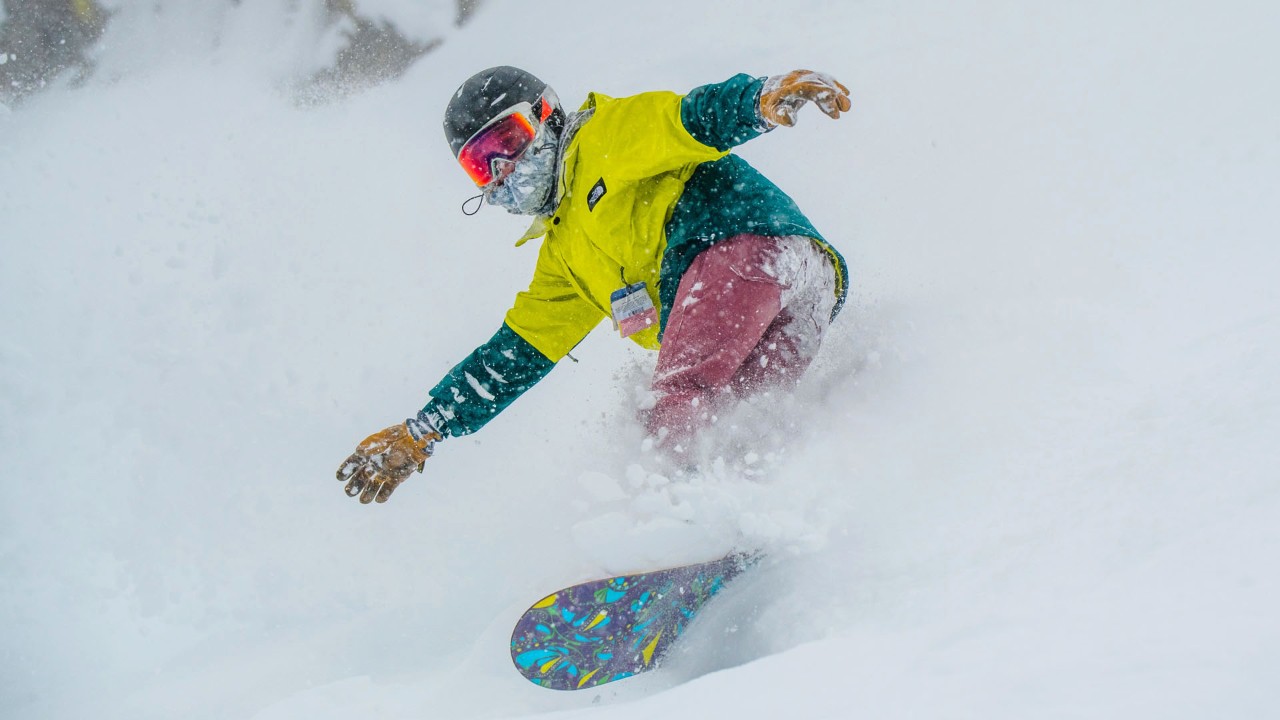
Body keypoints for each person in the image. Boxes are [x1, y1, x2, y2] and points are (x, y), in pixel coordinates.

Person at [337, 66, 852, 504]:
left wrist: (758, 99)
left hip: (743, 248)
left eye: (508, 141)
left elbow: (684, 120)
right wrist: (424, 430)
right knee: (743, 423)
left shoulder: (600, 139)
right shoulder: (565, 258)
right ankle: (754, 517)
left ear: (547, 116)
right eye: (481, 165)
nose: (502, 169)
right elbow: (516, 353)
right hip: (804, 286)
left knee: (677, 409)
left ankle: (665, 529)